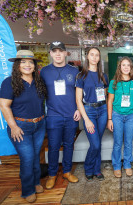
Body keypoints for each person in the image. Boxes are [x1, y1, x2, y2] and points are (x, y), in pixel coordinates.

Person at [0, 50, 47, 203]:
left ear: (34, 65)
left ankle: (36, 182)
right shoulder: (9, 82)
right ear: (17, 65)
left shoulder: (38, 81)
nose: (27, 65)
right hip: (20, 126)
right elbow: (3, 105)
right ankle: (28, 190)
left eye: (30, 62)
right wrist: (13, 126)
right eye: (23, 62)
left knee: (35, 155)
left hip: (39, 124)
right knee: (27, 158)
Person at [41, 41, 81, 189]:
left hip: (71, 115)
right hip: (53, 116)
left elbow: (79, 94)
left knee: (69, 145)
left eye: (60, 51)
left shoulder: (75, 71)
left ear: (66, 53)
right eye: (54, 51)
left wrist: (78, 108)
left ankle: (67, 171)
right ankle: (52, 174)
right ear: (50, 53)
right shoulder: (44, 72)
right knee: (53, 146)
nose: (58, 54)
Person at [75, 47, 109, 181]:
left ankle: (96, 169)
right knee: (94, 144)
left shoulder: (103, 75)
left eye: (97, 55)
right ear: (87, 57)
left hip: (103, 110)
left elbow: (105, 95)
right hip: (89, 111)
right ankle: (88, 168)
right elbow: (78, 99)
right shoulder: (81, 75)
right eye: (92, 55)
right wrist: (86, 120)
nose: (94, 57)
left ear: (99, 58)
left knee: (98, 142)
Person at [107, 57, 133, 178]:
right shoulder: (113, 83)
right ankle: (116, 166)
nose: (126, 67)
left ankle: (127, 164)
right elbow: (109, 101)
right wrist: (109, 119)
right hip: (117, 116)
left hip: (131, 116)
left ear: (131, 68)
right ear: (119, 67)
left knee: (128, 142)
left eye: (128, 65)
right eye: (123, 65)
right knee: (117, 142)